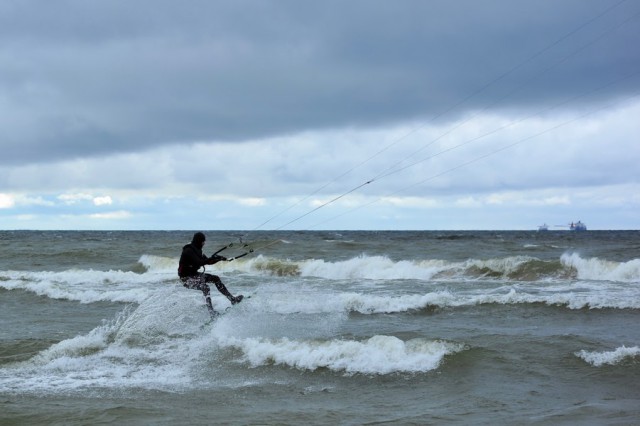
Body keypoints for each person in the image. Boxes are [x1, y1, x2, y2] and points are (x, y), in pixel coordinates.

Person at [178, 232, 243, 318]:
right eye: (203, 242)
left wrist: (219, 259)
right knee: (205, 287)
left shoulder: (198, 250)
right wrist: (211, 259)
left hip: (195, 275)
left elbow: (208, 261)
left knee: (216, 279)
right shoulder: (188, 251)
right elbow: (199, 262)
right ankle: (211, 312)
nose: (204, 243)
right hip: (186, 279)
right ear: (199, 241)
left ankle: (232, 299)